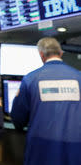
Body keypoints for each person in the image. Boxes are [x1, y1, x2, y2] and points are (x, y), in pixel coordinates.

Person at [11, 37, 81, 165]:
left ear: (41, 55)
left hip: (41, 150)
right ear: (61, 53)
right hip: (75, 150)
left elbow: (18, 118)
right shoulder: (79, 77)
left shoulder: (30, 79)